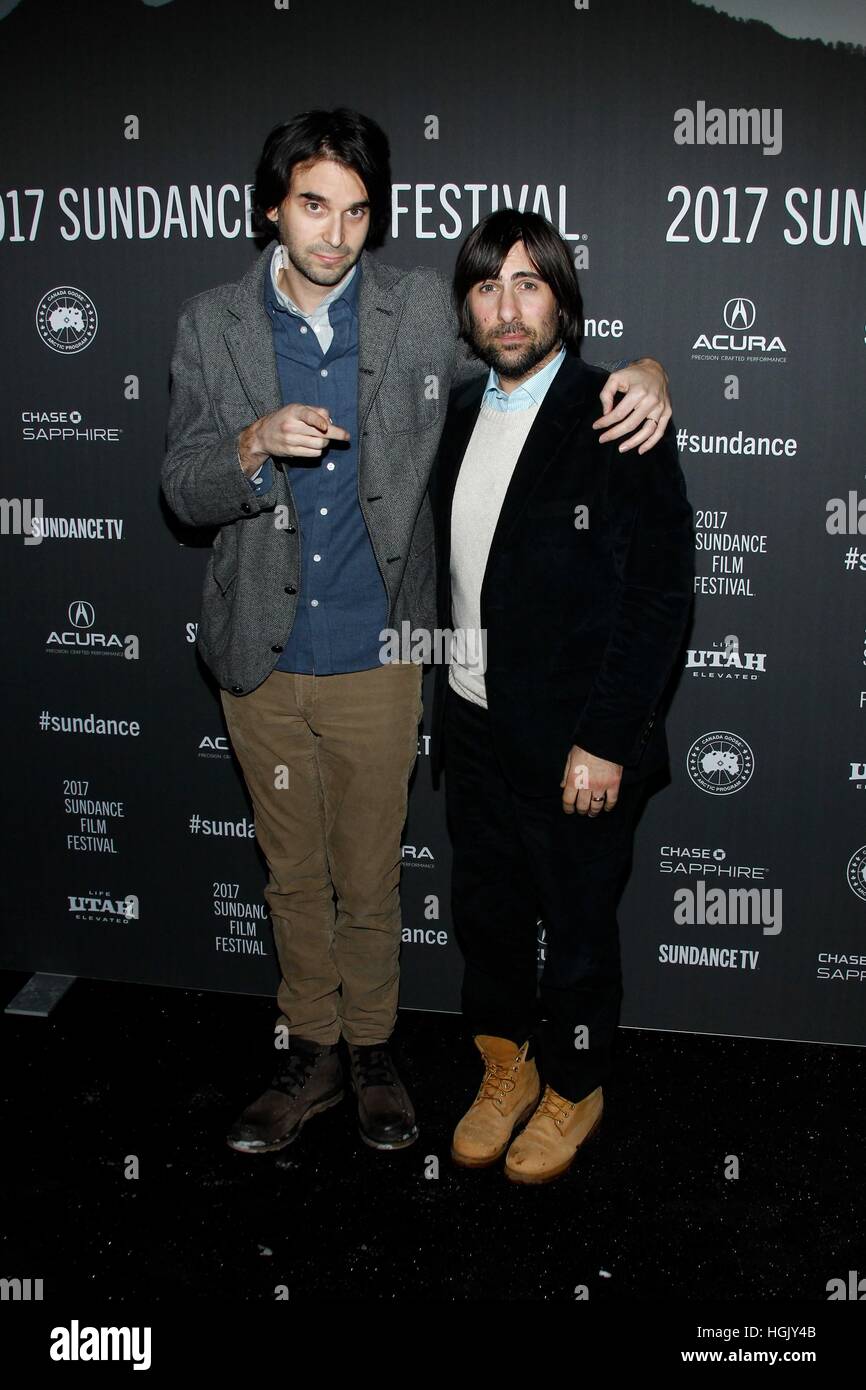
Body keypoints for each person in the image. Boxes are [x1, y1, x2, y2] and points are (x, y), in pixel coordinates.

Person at [161, 107, 673, 1158]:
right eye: (313, 207)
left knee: (375, 875)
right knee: (294, 873)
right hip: (259, 655)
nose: (335, 234)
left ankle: (382, 1054)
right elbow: (181, 485)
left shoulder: (411, 313)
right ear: (273, 209)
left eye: (355, 212)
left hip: (390, 661)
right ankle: (313, 1054)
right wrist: (250, 443)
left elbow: (531, 346)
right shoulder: (209, 324)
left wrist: (654, 370)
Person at [430, 209, 694, 1183]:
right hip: (471, 720)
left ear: (562, 301)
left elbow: (659, 592)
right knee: (488, 915)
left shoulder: (613, 409)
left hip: (578, 738)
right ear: (466, 306)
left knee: (577, 924)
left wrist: (606, 738)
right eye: (487, 285)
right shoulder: (455, 410)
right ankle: (504, 1065)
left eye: (527, 282)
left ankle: (574, 1087)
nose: (507, 306)